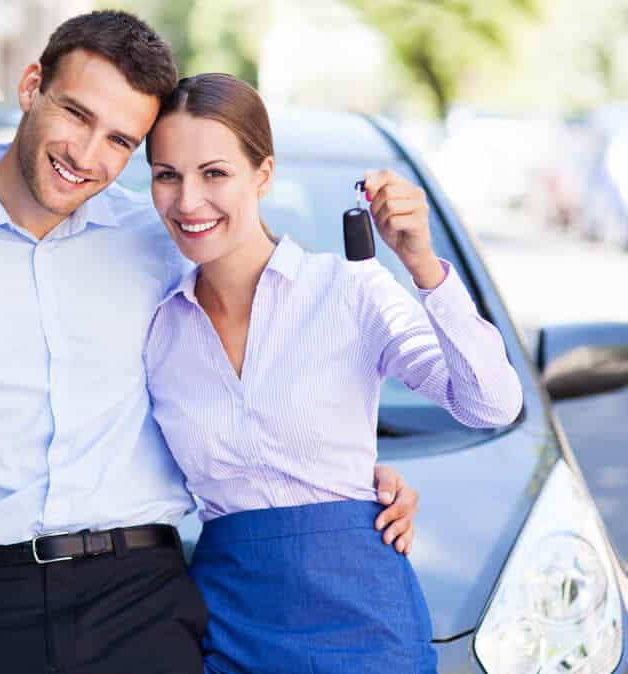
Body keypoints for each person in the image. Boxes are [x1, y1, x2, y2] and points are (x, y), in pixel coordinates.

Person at [0, 12, 421, 674]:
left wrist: (345, 479)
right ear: (32, 86)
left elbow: (285, 344)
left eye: (120, 139)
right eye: (77, 115)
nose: (87, 156)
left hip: (143, 604)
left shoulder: (163, 240)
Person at [143, 73, 524, 674]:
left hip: (364, 617)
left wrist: (423, 266)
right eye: (168, 175)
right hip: (230, 621)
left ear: (263, 174)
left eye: (214, 173)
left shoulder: (351, 290)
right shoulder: (155, 325)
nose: (188, 201)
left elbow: (490, 406)